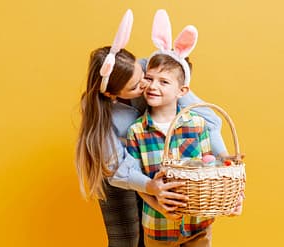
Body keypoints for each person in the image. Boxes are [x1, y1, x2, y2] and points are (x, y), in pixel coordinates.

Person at [75, 9, 228, 247]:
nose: (148, 84)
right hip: (121, 175)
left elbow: (205, 118)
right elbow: (115, 167)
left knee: (159, 231)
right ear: (112, 95)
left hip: (156, 164)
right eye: (138, 85)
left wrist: (224, 162)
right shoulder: (100, 111)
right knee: (126, 240)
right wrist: (152, 192)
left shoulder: (151, 71)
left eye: (143, 73)